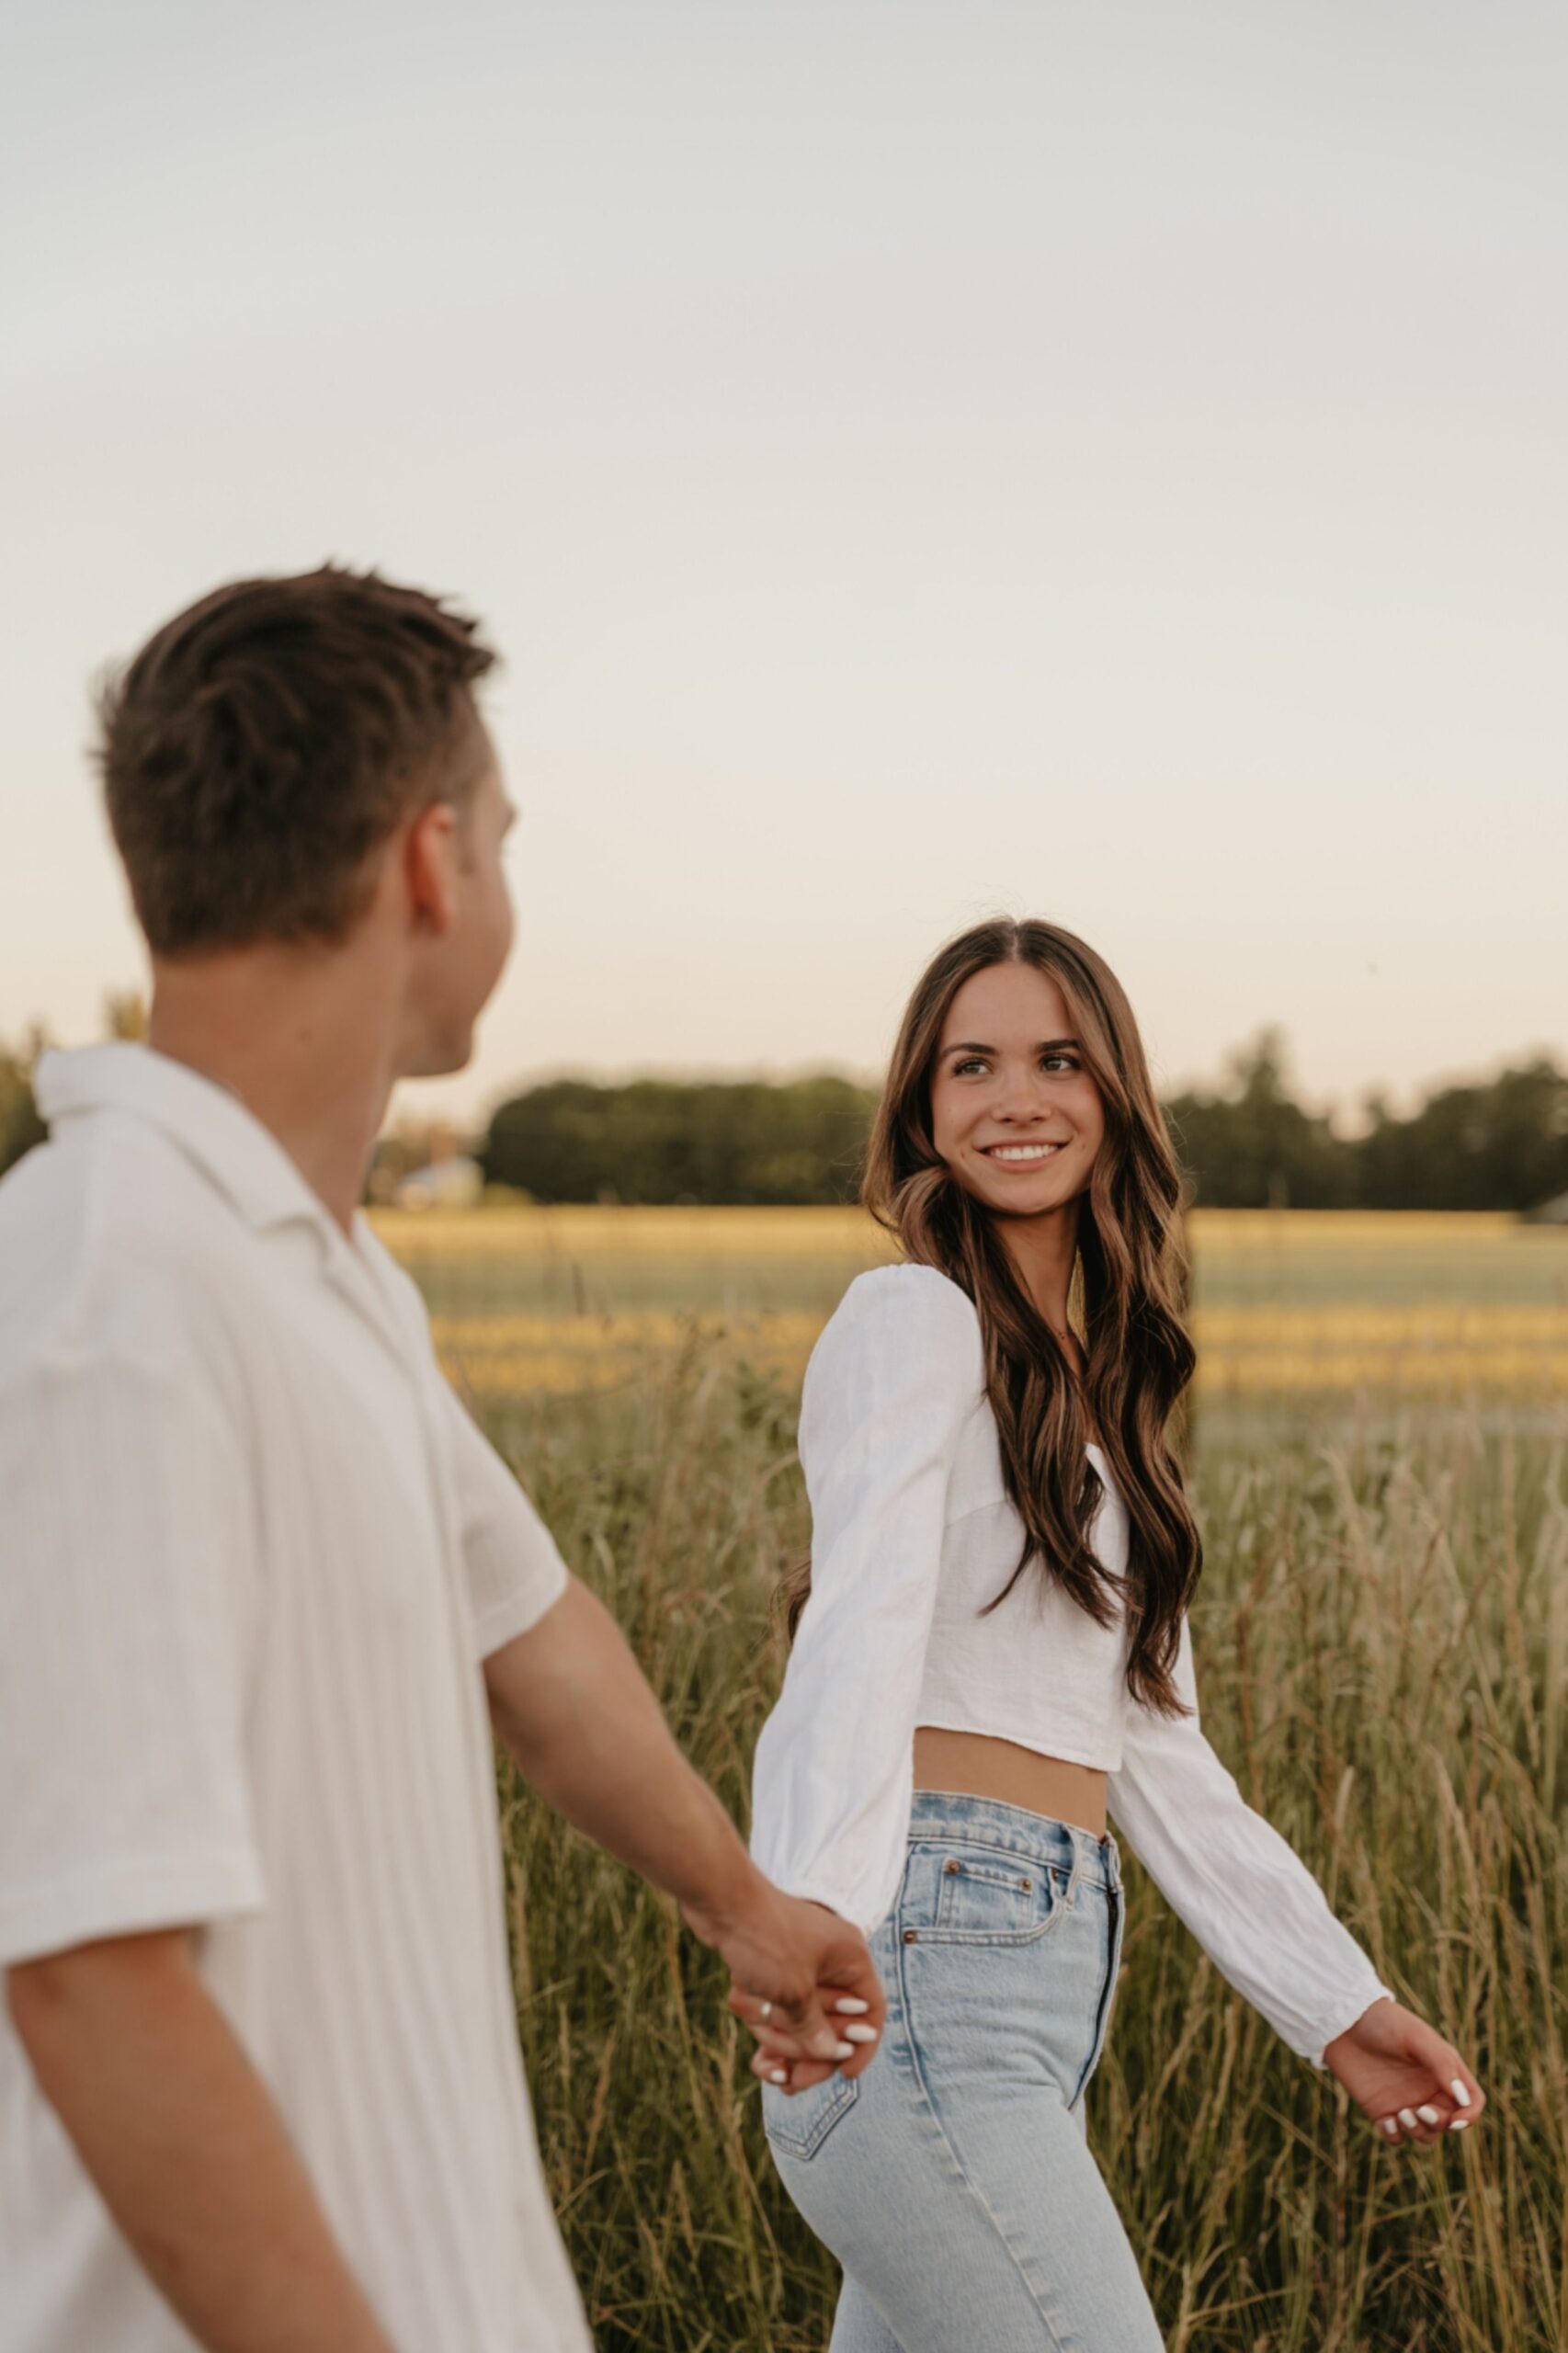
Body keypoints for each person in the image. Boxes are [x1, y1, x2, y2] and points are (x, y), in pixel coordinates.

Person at [0, 566, 886, 2353]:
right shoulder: (108, 1284)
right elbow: (86, 1966)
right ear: (430, 865)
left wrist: (744, 1906)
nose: (499, 874)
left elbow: (532, 1637)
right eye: (499, 831)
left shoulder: (322, 1279)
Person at [735, 916, 1485, 2352]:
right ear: (922, 1108)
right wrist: (808, 1911)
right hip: (914, 1968)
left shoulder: (1100, 1413)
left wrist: (1334, 2004)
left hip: (1026, 1977)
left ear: (1113, 1097)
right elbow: (857, 1627)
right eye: (972, 1064)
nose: (1014, 1098)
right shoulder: (909, 1319)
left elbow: (1155, 1756)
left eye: (1056, 1060)